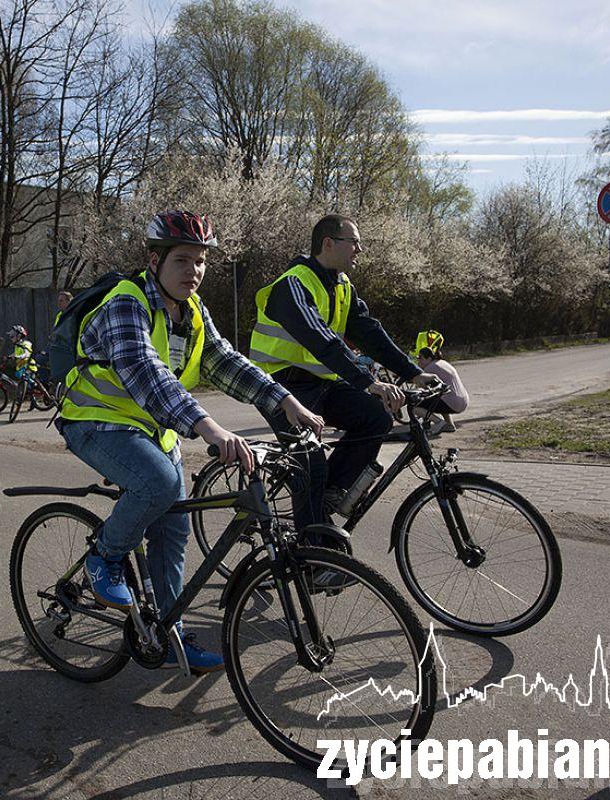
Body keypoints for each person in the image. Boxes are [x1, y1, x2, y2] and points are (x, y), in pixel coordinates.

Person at [59, 210, 324, 674]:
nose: (194, 271)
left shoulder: (194, 312)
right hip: (95, 422)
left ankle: (171, 633)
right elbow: (145, 372)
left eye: (201, 261)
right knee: (159, 484)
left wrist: (285, 401)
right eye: (182, 260)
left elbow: (225, 362)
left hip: (151, 431)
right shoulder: (127, 302)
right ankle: (104, 558)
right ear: (154, 260)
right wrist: (208, 426)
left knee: (174, 529)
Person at [249, 213, 437, 530]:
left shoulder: (341, 285)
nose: (359, 250)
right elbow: (323, 341)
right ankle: (312, 556)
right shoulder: (292, 285)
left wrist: (414, 373)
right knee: (310, 461)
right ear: (328, 243)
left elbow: (370, 334)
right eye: (354, 242)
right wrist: (369, 382)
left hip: (322, 384)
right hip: (282, 386)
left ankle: (323, 499)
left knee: (376, 417)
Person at [415, 346, 468, 433]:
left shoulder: (430, 368)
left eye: (421, 358)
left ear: (429, 358)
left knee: (416, 407)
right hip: (462, 401)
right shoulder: (442, 362)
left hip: (453, 403)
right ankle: (450, 424)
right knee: (440, 396)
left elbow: (421, 384)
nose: (419, 361)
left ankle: (439, 423)